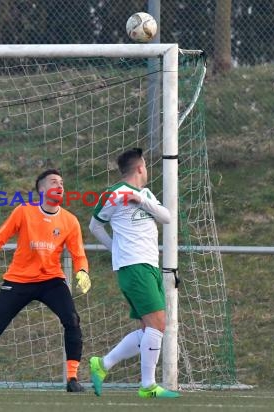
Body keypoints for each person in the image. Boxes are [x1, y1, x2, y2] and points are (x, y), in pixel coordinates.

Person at [0, 169, 92, 392]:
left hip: (51, 280)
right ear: (41, 190)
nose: (59, 186)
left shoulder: (70, 220)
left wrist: (83, 271)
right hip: (18, 280)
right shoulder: (24, 211)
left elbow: (79, 254)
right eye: (53, 182)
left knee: (72, 320)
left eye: (61, 182)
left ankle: (72, 379)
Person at [88, 147, 180, 398]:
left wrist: (142, 201)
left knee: (148, 329)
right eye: (146, 165)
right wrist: (114, 249)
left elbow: (167, 217)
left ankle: (102, 364)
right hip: (133, 265)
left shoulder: (145, 194)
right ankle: (148, 385)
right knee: (158, 324)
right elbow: (95, 225)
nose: (147, 169)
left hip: (149, 264)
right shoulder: (113, 194)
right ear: (140, 167)